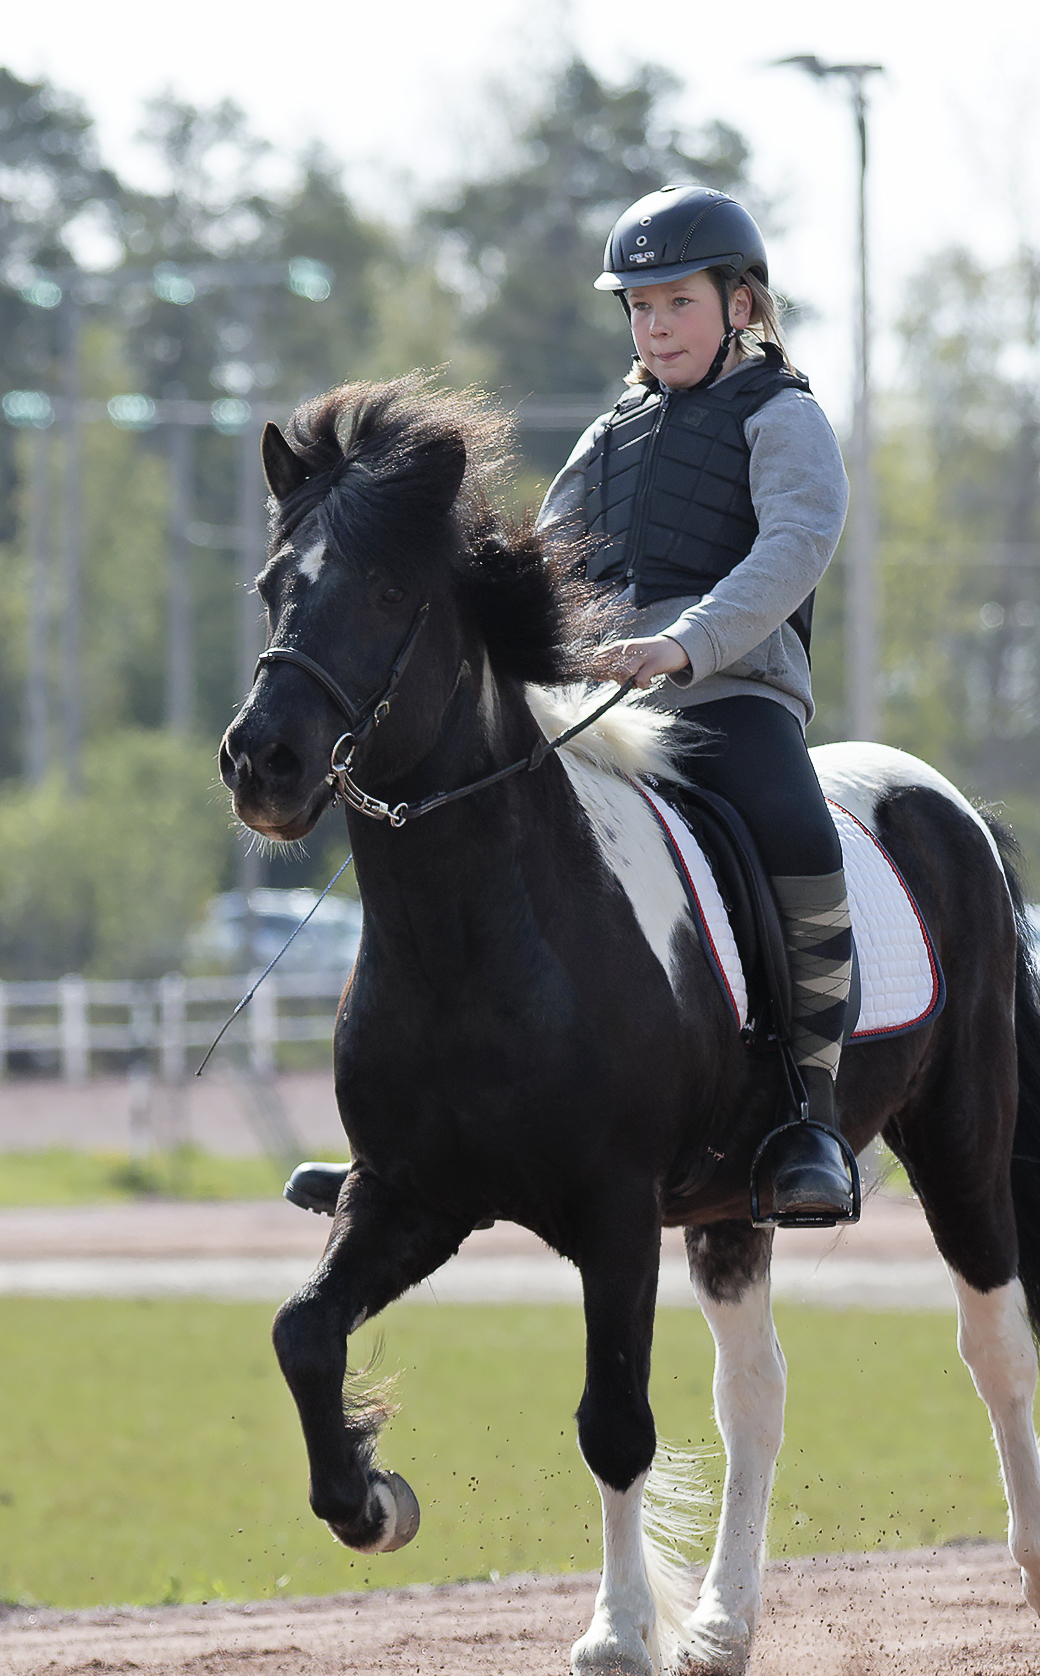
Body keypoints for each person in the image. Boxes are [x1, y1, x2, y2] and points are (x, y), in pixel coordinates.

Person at [287, 184, 859, 1225]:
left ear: (740, 304)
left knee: (793, 832)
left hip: (729, 696)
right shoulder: (613, 430)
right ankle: (406, 1142)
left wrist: (684, 645)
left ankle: (806, 1115)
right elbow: (547, 553)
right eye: (637, 307)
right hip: (598, 699)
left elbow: (794, 545)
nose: (651, 325)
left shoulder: (785, 417)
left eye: (674, 303)